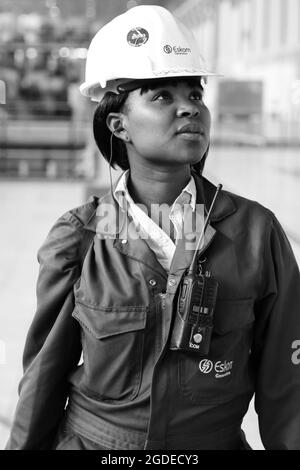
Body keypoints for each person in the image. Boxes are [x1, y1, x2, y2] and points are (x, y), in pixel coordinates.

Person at [6, 5, 300, 450]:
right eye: (162, 96)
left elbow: (287, 389)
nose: (190, 108)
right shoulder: (81, 238)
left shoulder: (255, 233)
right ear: (118, 124)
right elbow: (43, 381)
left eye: (196, 94)